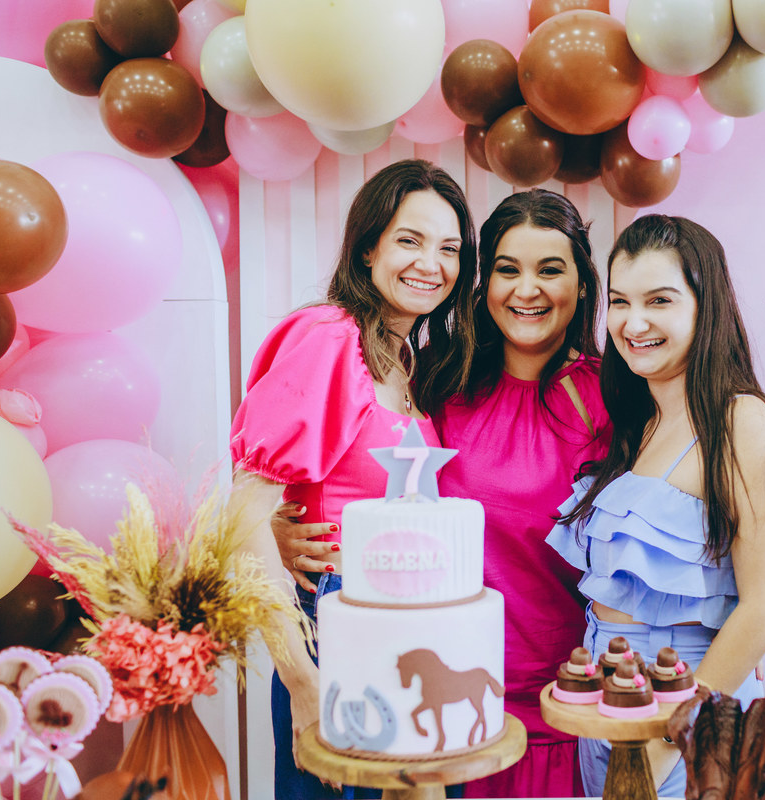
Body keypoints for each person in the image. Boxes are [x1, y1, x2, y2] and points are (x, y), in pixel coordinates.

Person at [275, 189, 609, 797]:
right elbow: (358, 470)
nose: (526, 289)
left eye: (550, 270)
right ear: (482, 287)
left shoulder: (610, 398)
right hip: (432, 703)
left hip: (560, 705)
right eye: (507, 269)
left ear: (583, 285)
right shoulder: (436, 380)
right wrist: (286, 520)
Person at [229, 159, 479, 799]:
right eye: (410, 239)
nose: (432, 263)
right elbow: (246, 510)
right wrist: (304, 680)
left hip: (406, 616)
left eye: (449, 248)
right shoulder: (327, 336)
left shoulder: (404, 357)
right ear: (368, 247)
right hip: (341, 625)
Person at [545, 214, 765, 797]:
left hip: (690, 725)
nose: (634, 323)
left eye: (658, 300)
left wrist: (666, 742)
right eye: (620, 302)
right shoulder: (642, 425)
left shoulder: (742, 420)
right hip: (611, 714)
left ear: (705, 305)